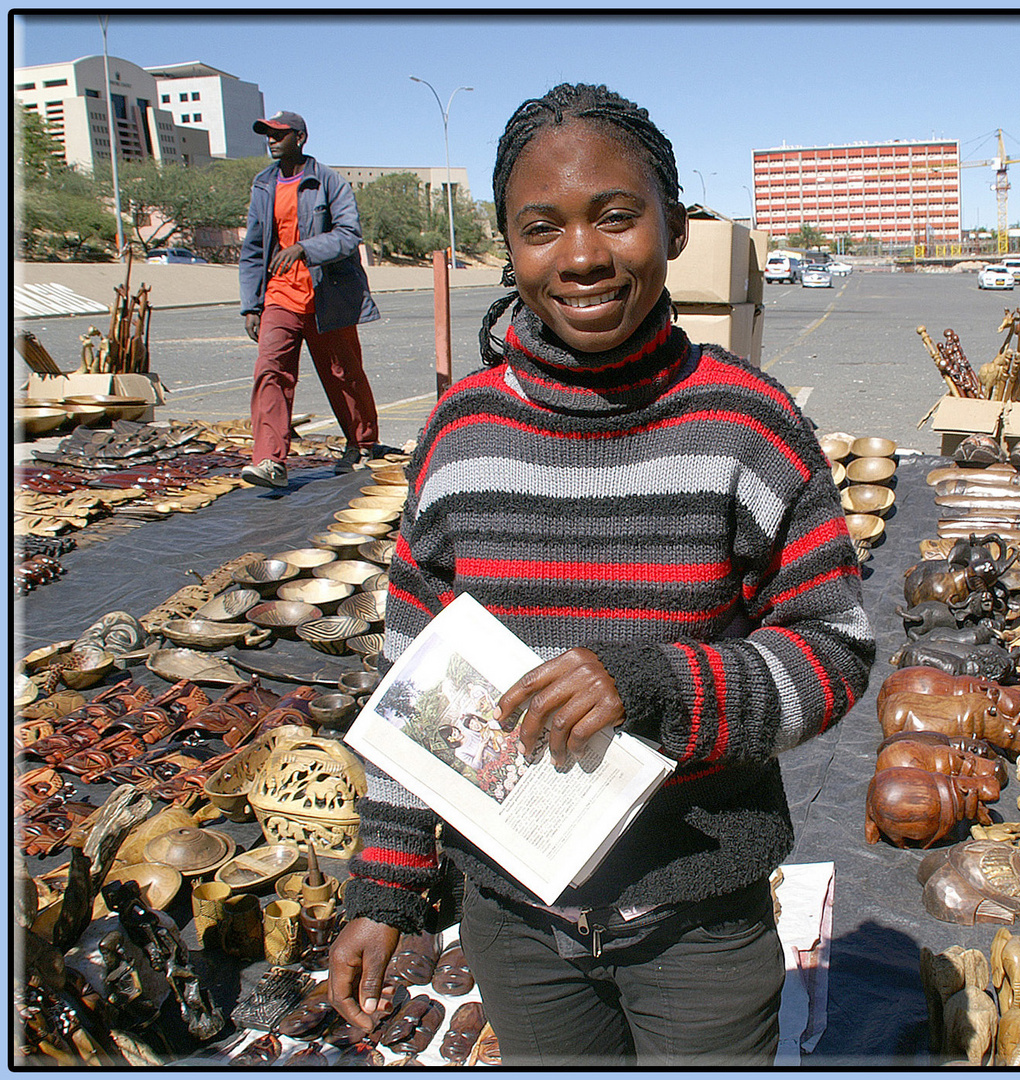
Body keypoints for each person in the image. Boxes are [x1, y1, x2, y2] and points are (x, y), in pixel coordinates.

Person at [329, 83, 874, 1066]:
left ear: (671, 227)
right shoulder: (462, 437)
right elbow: (415, 678)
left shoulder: (746, 427)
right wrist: (385, 885)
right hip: (513, 921)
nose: (580, 254)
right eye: (542, 227)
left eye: (615, 216)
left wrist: (659, 685)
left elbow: (833, 651)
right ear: (510, 245)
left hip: (698, 919)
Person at [238, 110, 382, 489]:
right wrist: (252, 304)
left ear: (300, 138)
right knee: (271, 370)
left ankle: (362, 444)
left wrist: (305, 248)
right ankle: (270, 459)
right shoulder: (263, 185)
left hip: (326, 297)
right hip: (280, 296)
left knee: (343, 375)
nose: (271, 139)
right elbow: (253, 248)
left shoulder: (329, 181)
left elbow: (349, 234)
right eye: (267, 133)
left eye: (279, 134)